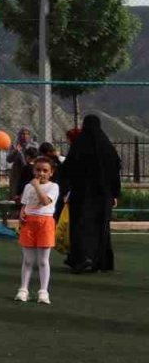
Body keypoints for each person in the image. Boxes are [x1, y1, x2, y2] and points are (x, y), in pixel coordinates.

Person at [56, 114, 121, 274]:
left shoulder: (79, 146)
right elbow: (115, 171)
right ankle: (101, 261)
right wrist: (115, 194)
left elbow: (67, 170)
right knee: (101, 227)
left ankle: (82, 259)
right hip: (103, 196)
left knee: (80, 226)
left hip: (82, 195)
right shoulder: (107, 148)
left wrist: (66, 190)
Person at [18, 156, 59, 305]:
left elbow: (45, 201)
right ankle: (23, 289)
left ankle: (43, 291)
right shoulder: (28, 187)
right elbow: (25, 204)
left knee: (43, 260)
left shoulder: (54, 187)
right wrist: (22, 212)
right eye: (38, 170)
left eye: (45, 170)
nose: (41, 173)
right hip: (29, 223)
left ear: (51, 173)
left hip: (45, 223)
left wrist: (36, 186)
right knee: (28, 260)